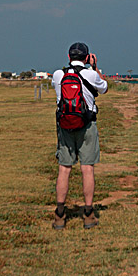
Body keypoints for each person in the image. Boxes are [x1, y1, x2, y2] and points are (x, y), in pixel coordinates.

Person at [51, 42, 108, 230]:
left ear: (68, 57)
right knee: (87, 169)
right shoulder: (91, 74)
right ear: (86, 57)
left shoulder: (59, 75)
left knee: (64, 169)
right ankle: (89, 214)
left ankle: (60, 215)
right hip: (87, 125)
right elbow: (104, 88)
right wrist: (95, 67)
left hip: (65, 126)